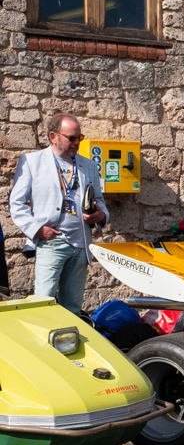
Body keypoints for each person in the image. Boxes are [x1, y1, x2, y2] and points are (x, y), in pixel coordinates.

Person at [9, 113, 108, 314]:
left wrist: (102, 216)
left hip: (81, 243)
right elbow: (16, 204)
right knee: (43, 303)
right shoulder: (31, 161)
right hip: (51, 242)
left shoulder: (88, 165)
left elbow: (100, 201)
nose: (76, 143)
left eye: (79, 138)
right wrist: (37, 230)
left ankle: (67, 343)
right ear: (53, 136)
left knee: (72, 307)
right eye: (71, 138)